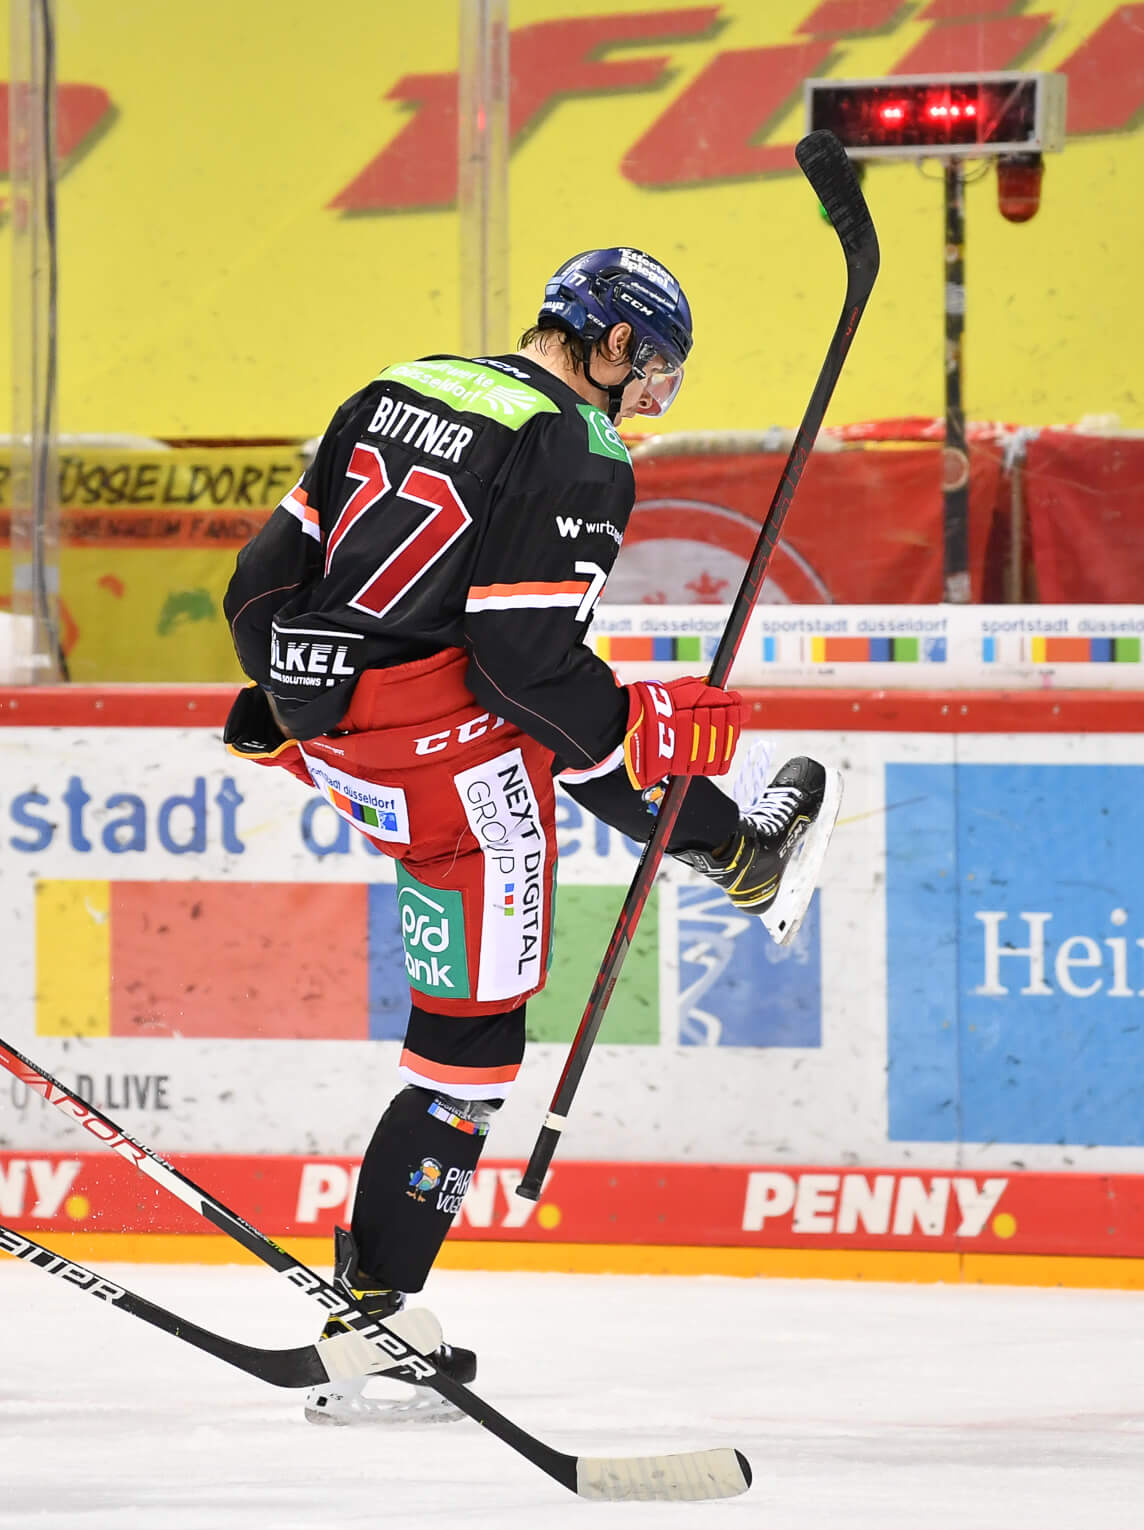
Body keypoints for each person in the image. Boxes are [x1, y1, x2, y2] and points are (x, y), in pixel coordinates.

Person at [221, 248, 841, 1424]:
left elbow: (257, 583)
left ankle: (733, 854)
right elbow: (520, 666)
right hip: (449, 769)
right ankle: (377, 1309)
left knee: (569, 728)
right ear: (609, 343)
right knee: (467, 1050)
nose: (647, 400)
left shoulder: (406, 380)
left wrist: (304, 699)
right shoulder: (578, 447)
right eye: (649, 370)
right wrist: (653, 729)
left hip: (338, 742)